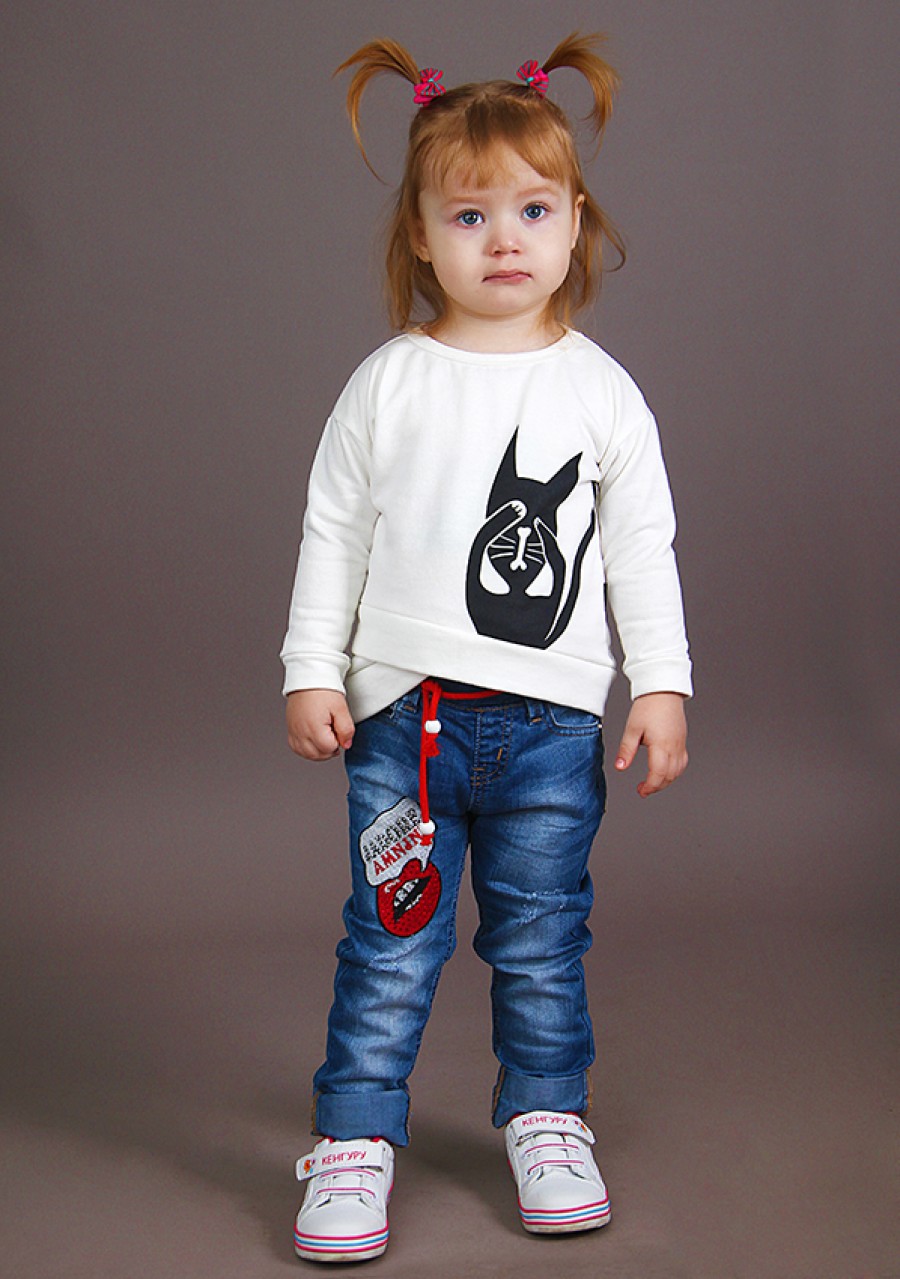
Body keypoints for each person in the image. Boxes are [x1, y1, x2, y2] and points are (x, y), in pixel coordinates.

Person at [281, 32, 691, 1264]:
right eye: (469, 215)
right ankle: (355, 1134)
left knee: (541, 938)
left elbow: (641, 549)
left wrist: (661, 683)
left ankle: (547, 1117)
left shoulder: (602, 392)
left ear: (575, 222)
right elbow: (334, 530)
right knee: (389, 939)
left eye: (531, 210)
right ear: (420, 236)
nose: (503, 239)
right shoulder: (388, 382)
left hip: (552, 730)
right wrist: (312, 667)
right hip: (405, 726)